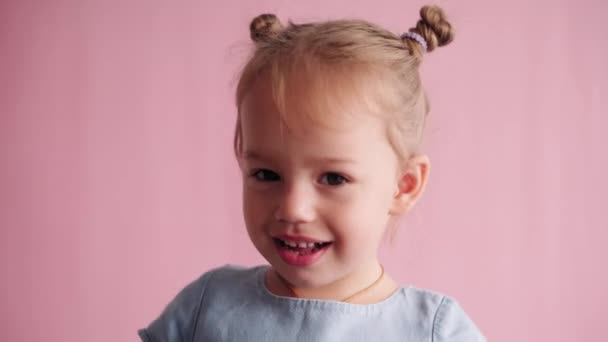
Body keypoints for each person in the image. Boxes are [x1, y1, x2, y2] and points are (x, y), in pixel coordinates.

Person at [139, 5, 485, 341]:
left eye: (334, 178)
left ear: (403, 186)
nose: (293, 209)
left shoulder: (434, 332)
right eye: (266, 174)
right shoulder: (205, 308)